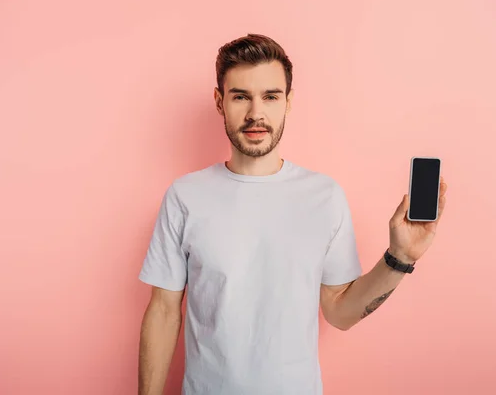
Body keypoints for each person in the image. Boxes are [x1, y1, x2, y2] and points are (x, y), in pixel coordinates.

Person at [138, 33, 448, 395]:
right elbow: (162, 312)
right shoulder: (185, 196)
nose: (256, 113)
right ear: (220, 102)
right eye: (241, 97)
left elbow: (339, 313)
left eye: (271, 96)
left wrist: (400, 257)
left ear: (288, 102)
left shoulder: (324, 196)